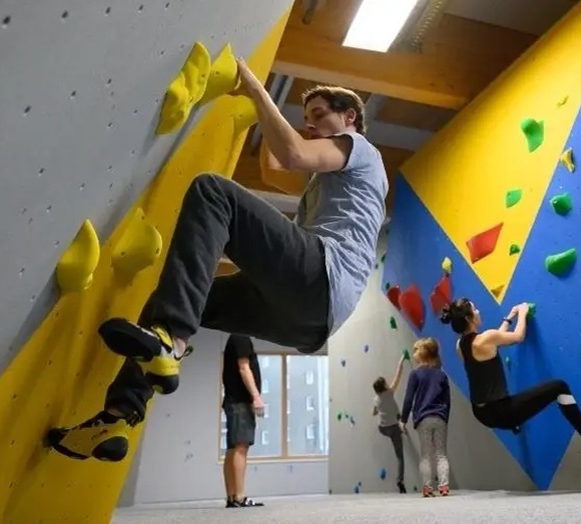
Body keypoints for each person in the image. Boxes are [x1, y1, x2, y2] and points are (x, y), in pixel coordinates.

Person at [45, 57, 389, 462]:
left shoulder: (361, 150)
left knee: (214, 192)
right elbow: (276, 164)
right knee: (169, 301)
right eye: (306, 118)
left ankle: (170, 342)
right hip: (309, 321)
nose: (309, 124)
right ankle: (118, 417)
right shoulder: (328, 183)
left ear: (349, 117)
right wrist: (251, 118)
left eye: (318, 115)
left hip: (322, 279)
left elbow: (293, 153)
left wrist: (255, 86)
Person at [440, 298, 581, 453]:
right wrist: (522, 313)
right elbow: (518, 337)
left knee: (498, 397)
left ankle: (513, 423)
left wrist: (508, 318)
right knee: (559, 387)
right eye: (474, 309)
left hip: (480, 412)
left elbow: (494, 341)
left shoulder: (460, 345)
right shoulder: (486, 338)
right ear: (468, 318)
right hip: (501, 412)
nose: (478, 311)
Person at [400, 337, 451, 498]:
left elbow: (409, 399)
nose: (414, 353)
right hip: (440, 417)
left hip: (423, 418)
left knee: (426, 455)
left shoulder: (415, 374)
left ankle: (427, 488)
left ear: (422, 353)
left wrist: (403, 419)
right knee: (441, 454)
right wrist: (445, 417)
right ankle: (444, 487)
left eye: (416, 350)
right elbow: (447, 400)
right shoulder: (441, 375)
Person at [221, 334, 264, 508]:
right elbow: (244, 367)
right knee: (240, 447)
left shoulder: (235, 338)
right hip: (239, 402)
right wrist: (256, 397)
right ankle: (239, 496)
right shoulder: (241, 338)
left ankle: (232, 496)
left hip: (234, 401)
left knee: (233, 448)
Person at [371, 354, 409, 493]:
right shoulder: (390, 392)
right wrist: (402, 359)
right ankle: (400, 480)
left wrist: (380, 409)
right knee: (400, 457)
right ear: (385, 386)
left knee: (395, 414)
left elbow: (373, 413)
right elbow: (398, 374)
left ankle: (400, 424)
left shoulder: (376, 399)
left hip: (382, 428)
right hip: (393, 427)